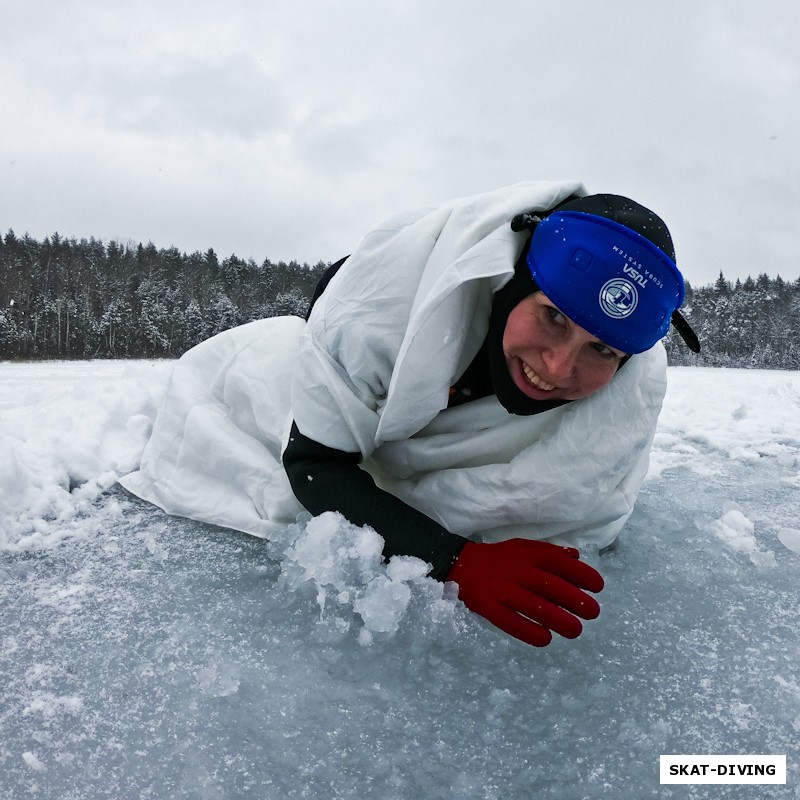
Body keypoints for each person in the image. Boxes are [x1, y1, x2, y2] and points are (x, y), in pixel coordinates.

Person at [120, 180, 698, 648]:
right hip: (352, 306)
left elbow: (589, 505)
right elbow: (314, 462)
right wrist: (455, 560)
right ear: (512, 283)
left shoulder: (635, 388)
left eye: (602, 350)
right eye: (551, 317)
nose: (559, 364)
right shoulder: (379, 307)